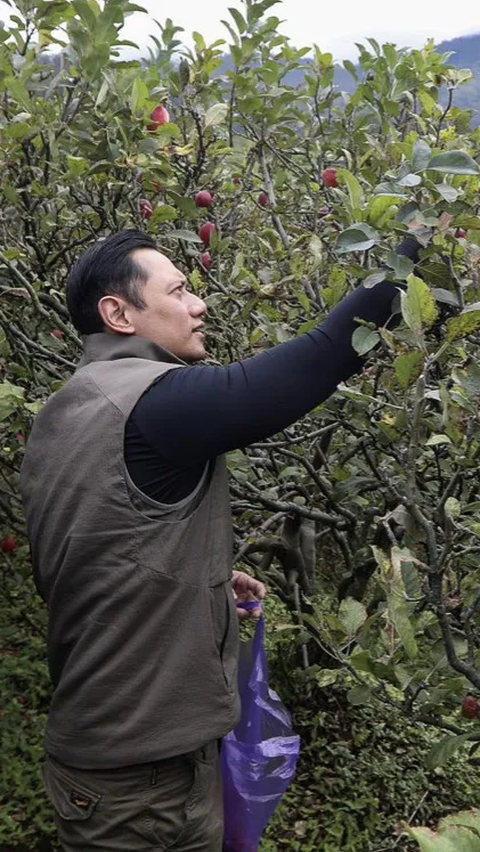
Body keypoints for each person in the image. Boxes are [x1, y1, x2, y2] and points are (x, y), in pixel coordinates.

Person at [20, 229, 420, 852]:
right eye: (179, 290)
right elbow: (312, 361)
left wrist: (195, 580)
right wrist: (415, 249)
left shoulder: (67, 410)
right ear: (118, 313)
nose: (199, 303)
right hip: (141, 783)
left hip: (112, 754)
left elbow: (101, 541)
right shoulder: (149, 404)